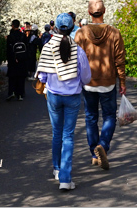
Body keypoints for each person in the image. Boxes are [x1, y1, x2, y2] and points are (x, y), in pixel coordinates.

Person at [37, 13, 91, 191]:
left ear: (56, 28)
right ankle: (66, 179)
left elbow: (42, 75)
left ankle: (57, 169)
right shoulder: (78, 50)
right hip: (73, 97)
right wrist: (77, 83)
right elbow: (86, 76)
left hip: (53, 95)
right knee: (68, 136)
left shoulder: (47, 47)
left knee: (56, 133)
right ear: (71, 28)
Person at [74, 0, 127, 170]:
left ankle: (94, 153)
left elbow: (75, 59)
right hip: (108, 81)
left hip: (88, 82)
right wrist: (122, 81)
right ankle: (103, 146)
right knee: (109, 116)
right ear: (104, 12)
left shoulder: (81, 33)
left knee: (90, 117)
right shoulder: (114, 33)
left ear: (89, 13)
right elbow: (120, 59)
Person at [6, 19, 29, 101]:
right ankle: (20, 94)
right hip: (22, 59)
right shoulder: (23, 36)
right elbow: (27, 48)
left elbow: (8, 50)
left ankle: (11, 92)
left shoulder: (10, 36)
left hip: (13, 59)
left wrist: (10, 59)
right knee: (21, 77)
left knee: (12, 77)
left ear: (12, 26)